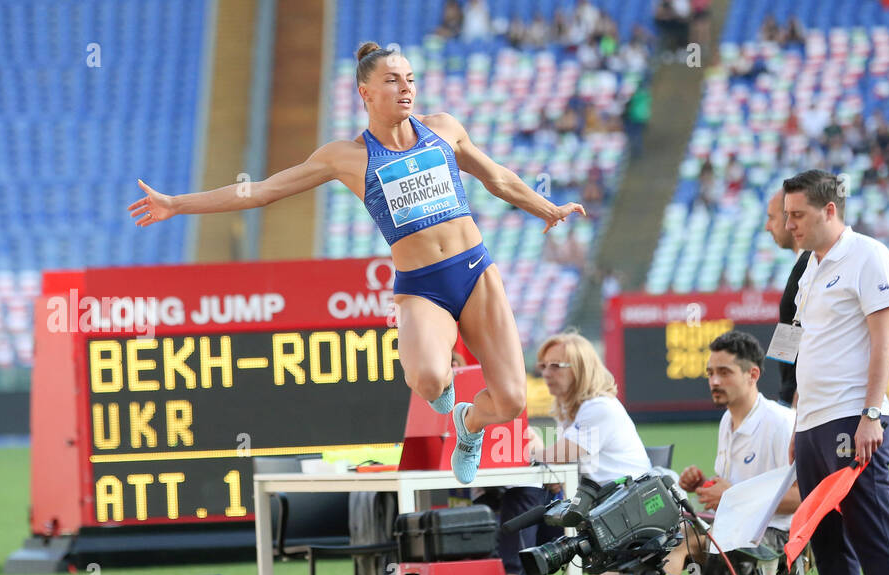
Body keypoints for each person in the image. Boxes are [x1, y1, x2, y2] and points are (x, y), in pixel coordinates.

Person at [129, 42, 586, 487]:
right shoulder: (346, 157)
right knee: (427, 381)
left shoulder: (445, 128)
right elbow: (262, 190)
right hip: (423, 288)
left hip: (475, 272)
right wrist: (177, 203)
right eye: (392, 80)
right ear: (365, 93)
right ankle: (443, 383)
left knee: (510, 400)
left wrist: (546, 208)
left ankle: (469, 423)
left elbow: (497, 176)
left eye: (410, 79)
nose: (405, 88)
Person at [781, 169, 889, 575]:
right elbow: (801, 347)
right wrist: (798, 421)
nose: (790, 224)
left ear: (829, 211)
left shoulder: (868, 256)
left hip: (852, 417)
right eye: (788, 215)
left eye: (798, 215)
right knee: (826, 539)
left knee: (871, 531)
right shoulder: (809, 268)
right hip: (814, 420)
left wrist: (872, 412)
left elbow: (883, 340)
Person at [603, 330, 800, 575]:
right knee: (650, 533)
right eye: (710, 373)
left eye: (724, 372)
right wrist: (703, 486)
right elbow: (735, 492)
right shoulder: (728, 421)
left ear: (753, 375)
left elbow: (804, 499)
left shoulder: (780, 423)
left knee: (680, 540)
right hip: (735, 533)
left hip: (775, 542)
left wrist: (731, 494)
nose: (714, 381)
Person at [530, 331, 651, 575]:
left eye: (556, 366)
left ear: (581, 369)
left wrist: (529, 445)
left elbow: (559, 455)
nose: (546, 373)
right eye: (543, 366)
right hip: (608, 509)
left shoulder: (598, 407)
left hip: (630, 508)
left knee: (528, 514)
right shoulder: (575, 410)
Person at [764, 187, 811, 408]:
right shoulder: (801, 266)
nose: (767, 227)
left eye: (771, 218)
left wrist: (792, 391)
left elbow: (802, 334)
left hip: (801, 400)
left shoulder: (810, 266)